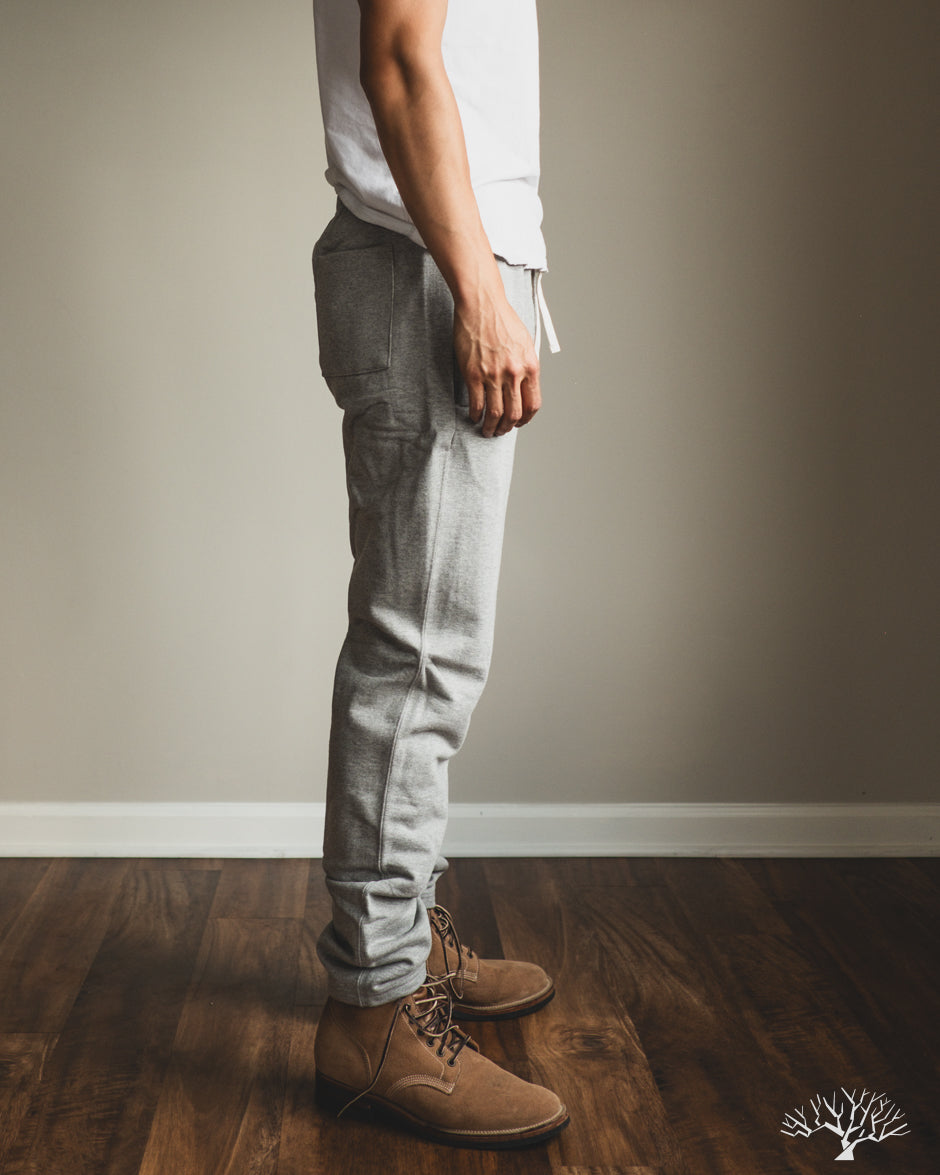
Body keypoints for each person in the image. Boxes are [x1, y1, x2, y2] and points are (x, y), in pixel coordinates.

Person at [310, 0, 567, 1149]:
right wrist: (477, 290)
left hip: (431, 249)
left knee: (425, 652)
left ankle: (400, 941)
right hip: (426, 256)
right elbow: (402, 63)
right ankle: (375, 1008)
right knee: (418, 659)